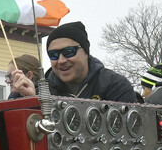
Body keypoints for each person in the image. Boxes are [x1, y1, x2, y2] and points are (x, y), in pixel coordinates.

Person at [9, 21, 138, 101]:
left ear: (86, 52)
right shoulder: (41, 91)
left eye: (69, 52)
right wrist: (30, 100)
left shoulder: (115, 86)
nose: (61, 60)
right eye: (53, 55)